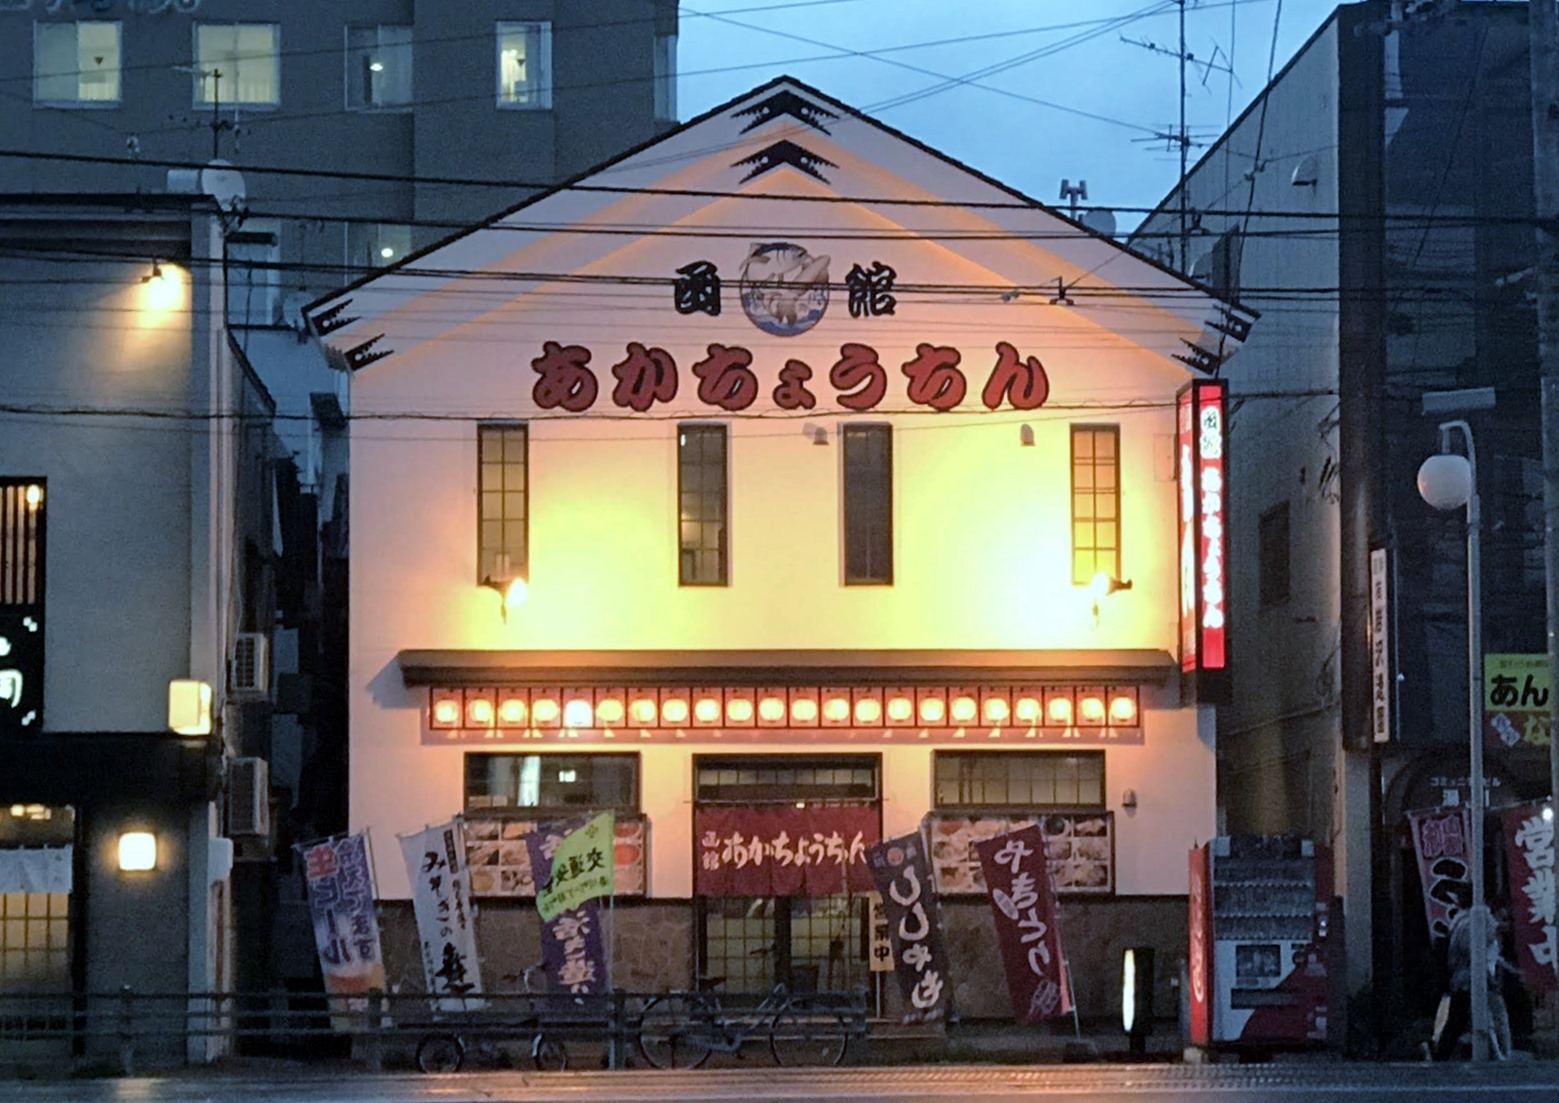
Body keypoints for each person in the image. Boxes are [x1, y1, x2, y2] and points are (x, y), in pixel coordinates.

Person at [1430, 902, 1513, 1060]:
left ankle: (1442, 1051)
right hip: (1471, 978)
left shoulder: (1462, 922)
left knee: (1461, 1018)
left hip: (1466, 978)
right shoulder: (1474, 923)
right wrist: (1489, 978)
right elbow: (1474, 954)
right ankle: (1499, 1053)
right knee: (1491, 1018)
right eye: (1503, 917)